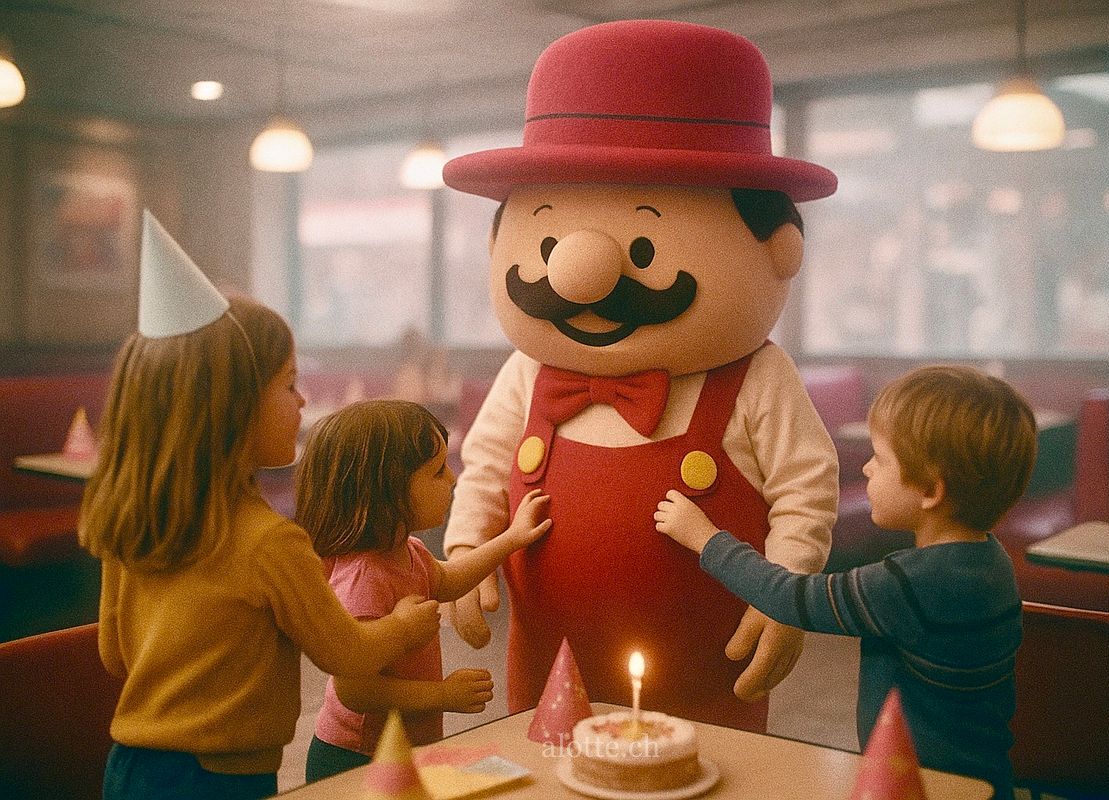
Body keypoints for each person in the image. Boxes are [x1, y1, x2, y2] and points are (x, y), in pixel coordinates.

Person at [440, 19, 840, 733]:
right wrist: (466, 547)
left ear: (778, 248)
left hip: (708, 675)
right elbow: (485, 465)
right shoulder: (529, 367)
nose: (579, 273)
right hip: (549, 668)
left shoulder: (756, 376)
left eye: (645, 239)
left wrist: (786, 595)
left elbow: (803, 490)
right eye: (551, 235)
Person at [79, 213, 441, 800]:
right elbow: (344, 654)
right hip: (223, 780)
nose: (302, 401)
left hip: (131, 768)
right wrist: (401, 625)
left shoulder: (135, 527)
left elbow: (115, 653)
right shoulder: (267, 543)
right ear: (232, 406)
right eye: (289, 384)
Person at [655, 365, 1035, 797]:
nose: (868, 469)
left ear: (932, 490)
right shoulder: (990, 561)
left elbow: (792, 597)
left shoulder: (910, 586)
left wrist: (706, 539)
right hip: (982, 779)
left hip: (927, 786)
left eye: (881, 458)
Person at [297, 399, 552, 782]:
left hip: (402, 746)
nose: (451, 480)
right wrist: (443, 696)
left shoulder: (409, 551)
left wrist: (511, 539)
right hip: (356, 757)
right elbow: (355, 690)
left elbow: (446, 581)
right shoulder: (364, 579)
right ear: (386, 492)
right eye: (436, 472)